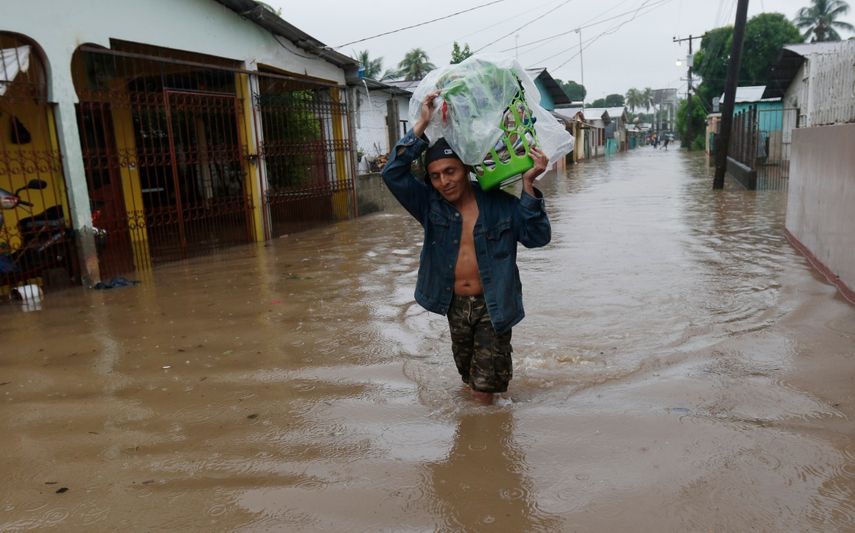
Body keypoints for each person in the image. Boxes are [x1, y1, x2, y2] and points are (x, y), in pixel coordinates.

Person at [382, 89, 551, 404]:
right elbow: (392, 173)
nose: (444, 181)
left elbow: (537, 237)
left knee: (483, 389)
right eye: (435, 176)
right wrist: (422, 123)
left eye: (450, 171)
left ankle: (484, 443)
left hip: (493, 304)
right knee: (468, 377)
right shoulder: (430, 206)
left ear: (466, 170)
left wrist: (529, 187)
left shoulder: (501, 203)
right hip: (453, 306)